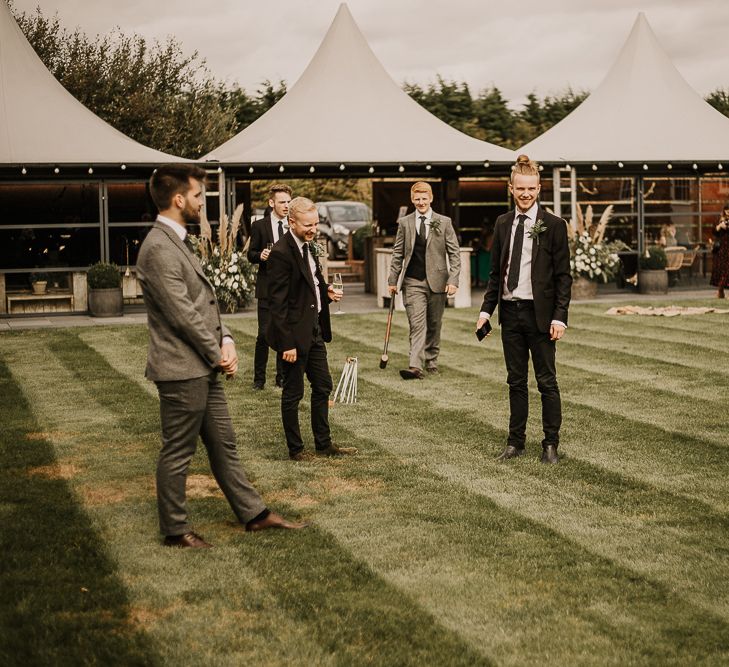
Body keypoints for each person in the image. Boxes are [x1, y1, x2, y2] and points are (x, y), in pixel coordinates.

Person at [136, 165, 306, 548]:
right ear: (179, 200)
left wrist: (226, 337)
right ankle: (175, 530)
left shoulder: (177, 239)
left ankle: (254, 515)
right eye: (197, 196)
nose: (201, 202)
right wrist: (219, 354)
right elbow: (182, 315)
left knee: (223, 442)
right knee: (178, 450)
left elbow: (204, 304)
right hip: (182, 368)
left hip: (202, 363)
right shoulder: (159, 247)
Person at [476, 155, 572, 464]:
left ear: (539, 188)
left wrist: (560, 317)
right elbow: (496, 274)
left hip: (541, 316)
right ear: (511, 188)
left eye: (531, 189)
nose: (526, 194)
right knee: (515, 381)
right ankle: (515, 442)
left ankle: (550, 444)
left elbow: (563, 277)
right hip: (511, 313)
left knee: (547, 382)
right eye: (520, 189)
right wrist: (486, 312)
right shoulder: (503, 223)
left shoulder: (554, 225)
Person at [266, 197, 357, 461]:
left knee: (323, 385)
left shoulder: (308, 247)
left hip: (314, 329)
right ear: (291, 222)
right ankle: (295, 450)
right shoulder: (281, 253)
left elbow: (312, 284)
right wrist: (287, 344)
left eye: (316, 223)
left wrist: (326, 292)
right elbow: (278, 304)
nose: (313, 229)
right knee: (293, 393)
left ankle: (323, 443)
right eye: (308, 225)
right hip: (293, 335)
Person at [387, 181, 461, 379]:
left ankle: (432, 360)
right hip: (412, 281)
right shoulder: (405, 223)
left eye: (424, 198)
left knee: (434, 323)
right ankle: (415, 366)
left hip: (438, 281)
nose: (421, 202)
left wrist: (453, 279)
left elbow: (454, 253)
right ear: (412, 199)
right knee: (417, 324)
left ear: (431, 199)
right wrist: (392, 280)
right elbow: (397, 252)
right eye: (417, 199)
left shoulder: (444, 222)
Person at [247, 184, 292, 390]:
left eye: (288, 202)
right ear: (271, 203)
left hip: (288, 288)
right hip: (267, 288)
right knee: (264, 334)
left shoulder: (294, 224)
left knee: (284, 333)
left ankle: (282, 378)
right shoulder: (260, 226)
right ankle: (259, 380)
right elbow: (251, 254)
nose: (286, 206)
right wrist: (260, 256)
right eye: (282, 202)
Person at [710, 203, 729, 298]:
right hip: (721, 248)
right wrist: (719, 226)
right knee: (722, 269)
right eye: (726, 209)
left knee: (727, 269)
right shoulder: (720, 219)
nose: (728, 211)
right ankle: (720, 291)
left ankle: (721, 290)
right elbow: (714, 231)